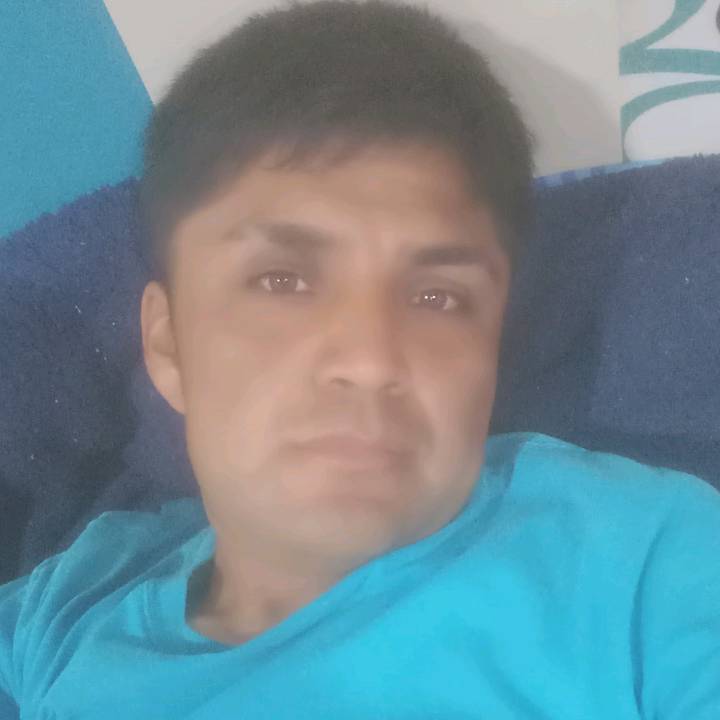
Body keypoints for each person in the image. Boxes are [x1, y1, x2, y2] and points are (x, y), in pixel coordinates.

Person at [1, 1, 719, 717]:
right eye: (282, 281)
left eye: (438, 297)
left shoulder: (641, 566)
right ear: (168, 345)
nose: (372, 359)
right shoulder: (74, 600)